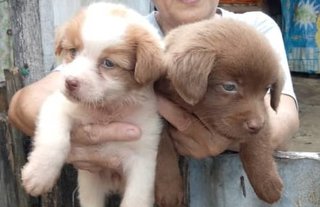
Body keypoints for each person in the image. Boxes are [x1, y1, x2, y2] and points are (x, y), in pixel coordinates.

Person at [8, 0, 299, 172]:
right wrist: (81, 135)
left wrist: (228, 133)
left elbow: (283, 120)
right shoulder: (127, 36)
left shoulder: (253, 29)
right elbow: (25, 105)